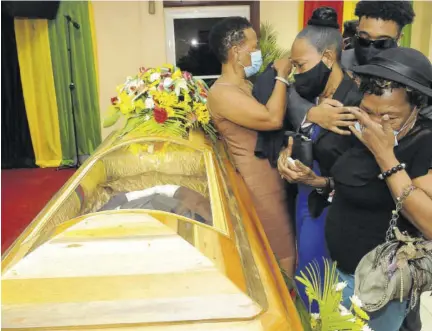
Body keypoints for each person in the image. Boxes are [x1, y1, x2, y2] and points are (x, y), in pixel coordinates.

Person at [302, 47, 431, 331]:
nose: (375, 123)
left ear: (416, 108)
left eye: (390, 117)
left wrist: (386, 155)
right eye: (368, 112)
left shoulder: (424, 144)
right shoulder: (360, 128)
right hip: (343, 270)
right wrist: (320, 182)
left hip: (381, 286)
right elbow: (364, 187)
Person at [278, 6, 362, 311]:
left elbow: (364, 174)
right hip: (302, 199)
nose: (298, 74)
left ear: (327, 58)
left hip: (330, 210)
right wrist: (284, 154)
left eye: (301, 66)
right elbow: (294, 129)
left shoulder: (355, 103)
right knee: (305, 277)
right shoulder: (312, 95)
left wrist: (320, 181)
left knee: (320, 287)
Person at [207, 17, 296, 275]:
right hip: (255, 183)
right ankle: (286, 310)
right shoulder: (222, 93)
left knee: (285, 243)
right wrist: (281, 76)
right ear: (237, 51)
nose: (258, 52)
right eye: (254, 46)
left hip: (270, 174)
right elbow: (271, 119)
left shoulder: (244, 84)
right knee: (281, 251)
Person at [286, 1, 422, 138]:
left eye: (382, 42)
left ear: (399, 39)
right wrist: (310, 113)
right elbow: (293, 90)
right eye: (364, 39)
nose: (371, 49)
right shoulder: (339, 61)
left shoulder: (411, 73)